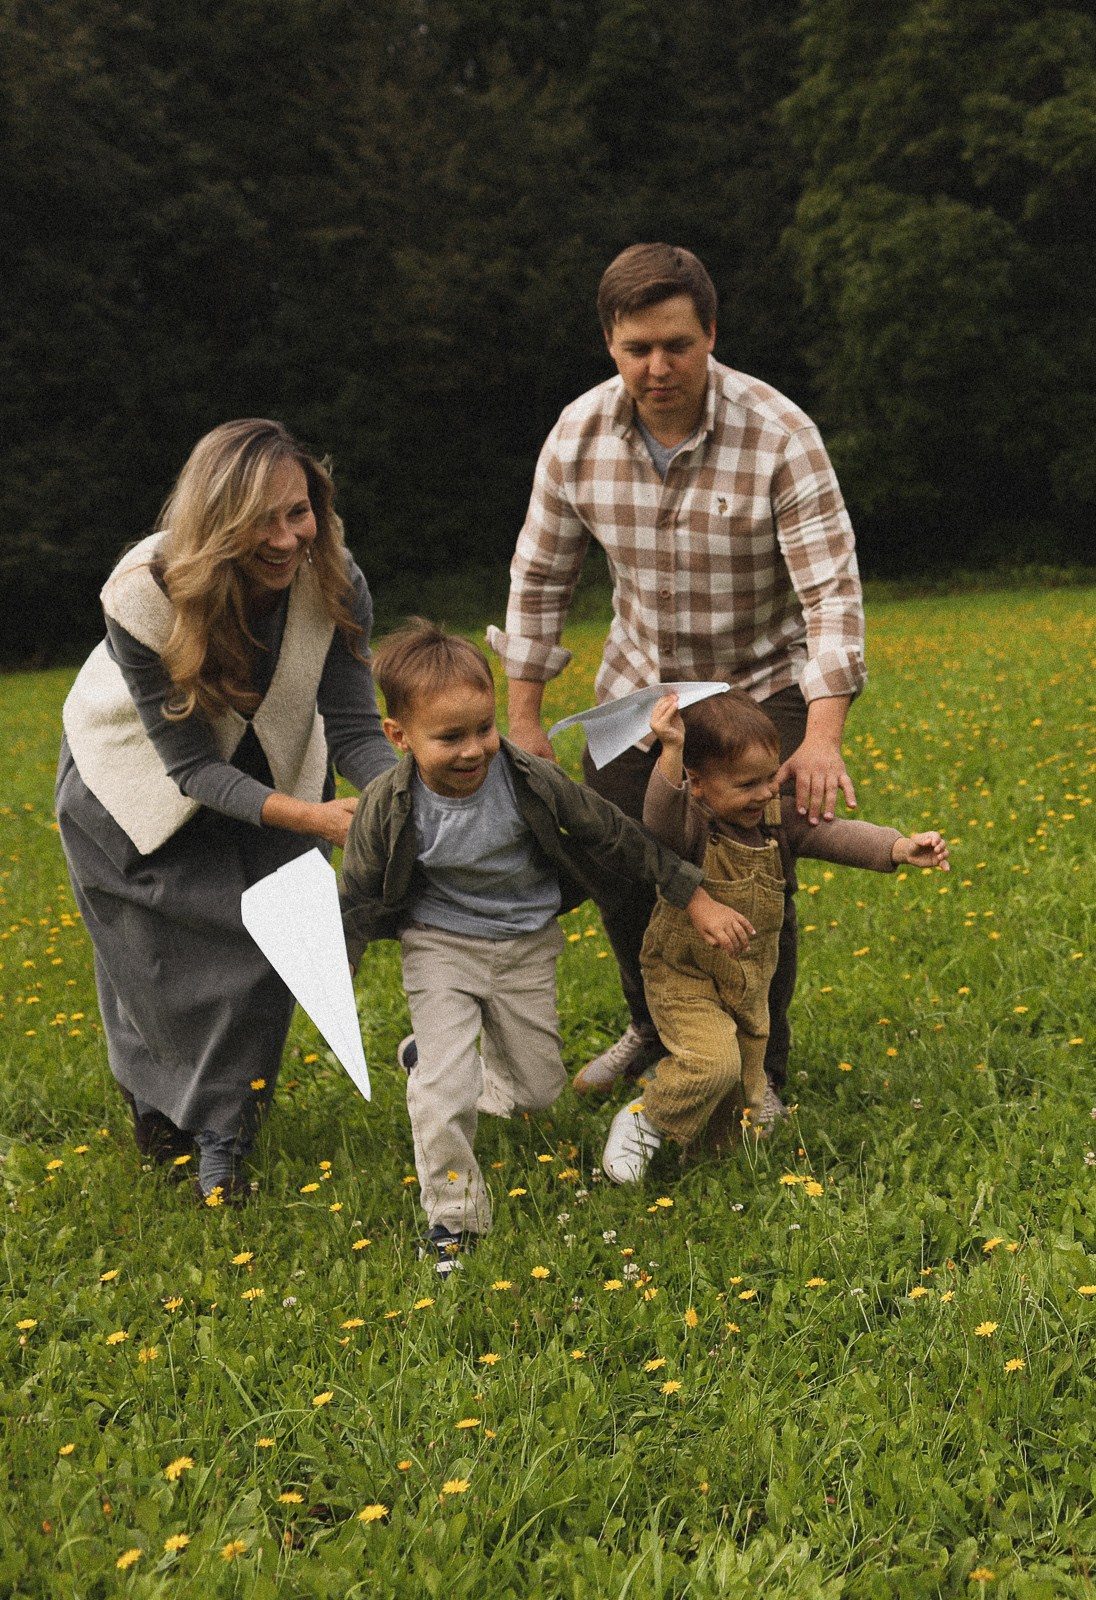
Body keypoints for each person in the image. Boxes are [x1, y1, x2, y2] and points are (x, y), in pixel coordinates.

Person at [492, 243, 866, 1125]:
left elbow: (831, 594)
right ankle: (655, 1031)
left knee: (746, 875)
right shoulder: (578, 435)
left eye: (675, 345)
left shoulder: (778, 432)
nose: (656, 368)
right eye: (635, 349)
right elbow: (539, 578)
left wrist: (822, 734)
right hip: (641, 691)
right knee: (621, 868)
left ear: (710, 335)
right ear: (610, 346)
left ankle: (756, 1073)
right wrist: (526, 720)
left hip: (756, 681)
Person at [337, 620, 749, 1269]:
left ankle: (427, 1059)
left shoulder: (524, 777)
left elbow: (613, 832)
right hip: (439, 944)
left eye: (483, 728)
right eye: (450, 737)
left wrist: (691, 894)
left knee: (535, 1091)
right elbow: (357, 896)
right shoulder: (387, 806)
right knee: (442, 1096)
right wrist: (339, 975)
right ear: (399, 736)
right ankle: (454, 1222)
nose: (474, 749)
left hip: (526, 939)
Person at [57, 420, 398, 1204]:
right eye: (261, 522)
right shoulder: (141, 593)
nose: (286, 539)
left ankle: (222, 1132)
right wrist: (317, 823)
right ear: (216, 522)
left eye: (299, 512)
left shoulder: (335, 577)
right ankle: (159, 1104)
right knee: (153, 962)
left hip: (267, 765)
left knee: (264, 951)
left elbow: (351, 728)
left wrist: (399, 800)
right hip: (135, 776)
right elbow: (190, 768)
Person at [600, 689, 947, 1183]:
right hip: (685, 973)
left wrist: (897, 847)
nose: (765, 793)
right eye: (747, 784)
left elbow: (833, 833)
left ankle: (704, 1173)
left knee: (738, 1086)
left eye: (770, 777)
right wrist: (671, 752)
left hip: (747, 976)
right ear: (696, 785)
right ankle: (645, 1118)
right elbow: (657, 814)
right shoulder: (690, 825)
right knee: (712, 1064)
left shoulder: (774, 818)